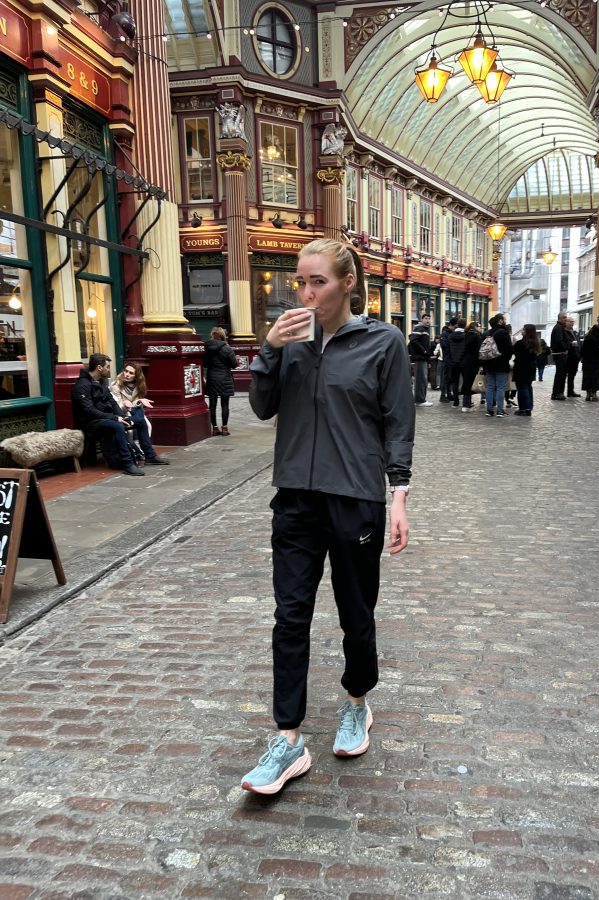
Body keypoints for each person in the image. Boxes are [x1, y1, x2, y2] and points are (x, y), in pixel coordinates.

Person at [243, 238, 414, 795]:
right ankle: (288, 741)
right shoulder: (290, 344)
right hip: (295, 498)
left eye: (317, 281)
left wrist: (399, 496)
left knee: (354, 613)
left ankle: (356, 702)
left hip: (354, 498)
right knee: (289, 617)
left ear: (347, 284)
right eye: (301, 281)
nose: (306, 292)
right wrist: (267, 348)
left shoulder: (383, 342)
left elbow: (397, 421)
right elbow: (261, 406)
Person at [72, 354, 169, 475]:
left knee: (140, 421)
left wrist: (122, 417)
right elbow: (89, 411)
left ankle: (150, 455)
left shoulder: (101, 382)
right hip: (91, 423)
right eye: (107, 367)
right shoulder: (82, 386)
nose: (108, 369)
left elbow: (112, 402)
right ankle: (128, 463)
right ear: (99, 368)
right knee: (117, 426)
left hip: (107, 418)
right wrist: (115, 418)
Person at [204, 327, 237, 435]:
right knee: (225, 404)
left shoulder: (207, 348)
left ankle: (214, 428)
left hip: (212, 377)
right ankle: (225, 428)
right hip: (225, 378)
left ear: (212, 335)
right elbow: (233, 364)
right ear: (223, 335)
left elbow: (204, 363)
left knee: (212, 404)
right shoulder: (227, 348)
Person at [483, 313, 512, 417]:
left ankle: (489, 410)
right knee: (500, 387)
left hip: (488, 364)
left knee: (490, 387)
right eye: (504, 319)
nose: (505, 321)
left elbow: (482, 350)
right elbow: (509, 349)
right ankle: (500, 410)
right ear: (500, 321)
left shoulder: (487, 333)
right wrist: (505, 359)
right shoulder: (504, 333)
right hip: (501, 364)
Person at [512, 324, 540, 416]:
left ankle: (524, 408)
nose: (522, 331)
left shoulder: (521, 343)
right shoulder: (535, 343)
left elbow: (515, 352)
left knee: (522, 387)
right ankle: (528, 407)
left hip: (521, 368)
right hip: (531, 368)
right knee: (528, 387)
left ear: (527, 332)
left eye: (523, 330)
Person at [408, 314, 432, 406]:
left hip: (423, 359)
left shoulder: (424, 330)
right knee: (421, 380)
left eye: (429, 319)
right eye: (426, 318)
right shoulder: (420, 329)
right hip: (420, 358)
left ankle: (420, 399)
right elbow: (413, 340)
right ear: (422, 320)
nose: (428, 320)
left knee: (422, 379)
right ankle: (420, 400)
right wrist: (424, 351)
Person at [580, 322, 599, 401]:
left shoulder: (588, 338)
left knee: (587, 376)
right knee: (596, 377)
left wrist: (582, 357)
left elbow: (582, 350)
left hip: (587, 361)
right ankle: (594, 393)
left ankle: (588, 394)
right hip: (597, 361)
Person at [550, 311, 572, 400]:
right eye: (564, 317)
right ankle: (557, 393)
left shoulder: (560, 327)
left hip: (561, 353)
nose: (566, 319)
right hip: (560, 354)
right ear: (560, 318)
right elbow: (560, 341)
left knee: (561, 374)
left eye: (566, 317)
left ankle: (558, 392)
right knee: (560, 374)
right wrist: (567, 347)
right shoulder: (559, 328)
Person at [461, 322, 482, 412]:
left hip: (465, 362)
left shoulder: (465, 336)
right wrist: (480, 364)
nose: (480, 328)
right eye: (479, 327)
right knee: (471, 383)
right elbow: (479, 351)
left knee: (466, 382)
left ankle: (466, 403)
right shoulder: (476, 337)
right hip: (473, 362)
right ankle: (467, 404)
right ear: (475, 327)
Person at [446, 318, 466, 407]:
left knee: (455, 382)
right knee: (465, 382)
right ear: (465, 325)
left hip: (453, 362)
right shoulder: (466, 335)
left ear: (457, 325)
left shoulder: (450, 336)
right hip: (463, 362)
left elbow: (448, 350)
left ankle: (456, 401)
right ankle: (466, 402)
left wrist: (450, 360)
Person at [565, 316, 581, 397]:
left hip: (576, 356)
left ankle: (571, 391)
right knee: (567, 374)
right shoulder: (564, 332)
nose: (572, 323)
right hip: (569, 356)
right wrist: (570, 344)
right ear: (566, 322)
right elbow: (564, 343)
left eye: (572, 321)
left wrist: (580, 355)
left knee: (572, 374)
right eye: (570, 321)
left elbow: (579, 343)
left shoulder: (574, 332)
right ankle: (567, 391)